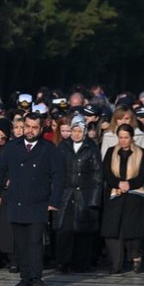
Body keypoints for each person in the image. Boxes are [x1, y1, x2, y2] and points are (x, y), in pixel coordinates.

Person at [0, 113, 64, 286]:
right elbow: (0, 169)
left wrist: (54, 201)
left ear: (41, 128)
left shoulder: (49, 149)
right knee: (20, 243)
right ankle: (25, 278)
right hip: (16, 201)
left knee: (35, 242)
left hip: (38, 202)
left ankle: (36, 278)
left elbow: (58, 175)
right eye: (27, 126)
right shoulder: (12, 147)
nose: (30, 131)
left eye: (34, 127)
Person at [53, 116, 102, 273]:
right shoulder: (63, 146)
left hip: (84, 195)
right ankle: (63, 262)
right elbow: (56, 172)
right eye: (74, 130)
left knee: (83, 232)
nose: (76, 134)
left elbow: (97, 175)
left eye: (79, 131)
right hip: (66, 194)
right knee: (64, 230)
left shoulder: (91, 148)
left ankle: (81, 263)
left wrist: (94, 199)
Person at [101, 124, 144, 274]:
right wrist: (118, 183)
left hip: (135, 194)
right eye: (120, 137)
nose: (123, 141)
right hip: (115, 194)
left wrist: (130, 184)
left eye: (126, 137)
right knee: (113, 229)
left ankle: (135, 257)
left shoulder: (140, 153)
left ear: (131, 138)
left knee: (133, 229)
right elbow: (107, 173)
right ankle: (115, 264)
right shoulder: (111, 152)